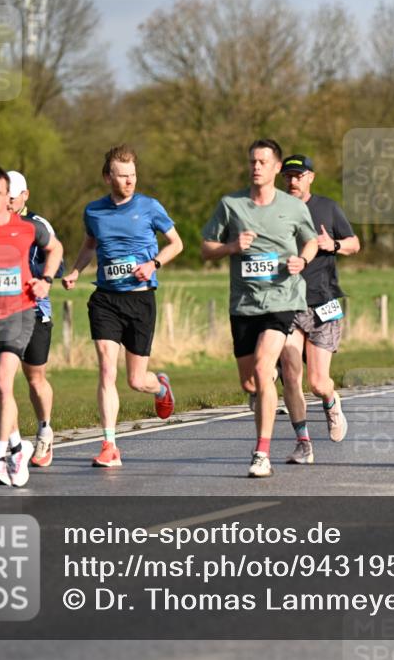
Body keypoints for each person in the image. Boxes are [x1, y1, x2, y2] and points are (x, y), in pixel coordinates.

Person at [202, 139, 318, 477]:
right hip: (244, 303)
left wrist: (302, 259)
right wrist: (231, 247)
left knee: (266, 367)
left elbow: (310, 240)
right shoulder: (231, 205)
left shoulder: (294, 208)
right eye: (252, 161)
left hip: (282, 300)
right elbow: (206, 249)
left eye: (263, 162)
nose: (256, 167)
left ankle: (261, 453)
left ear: (276, 167)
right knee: (251, 383)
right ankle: (265, 395)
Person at [62, 144, 182, 467]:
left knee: (135, 380)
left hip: (140, 298)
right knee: (105, 367)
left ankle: (160, 388)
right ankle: (109, 445)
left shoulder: (150, 206)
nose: (129, 181)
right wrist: (75, 270)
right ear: (107, 177)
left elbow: (177, 244)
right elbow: (90, 245)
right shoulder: (94, 211)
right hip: (106, 299)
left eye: (132, 175)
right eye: (122, 175)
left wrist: (154, 264)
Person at [0, 167, 62, 487]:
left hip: (27, 311)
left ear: (20, 195)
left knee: (25, 379)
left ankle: (29, 439)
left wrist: (45, 280)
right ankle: (13, 443)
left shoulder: (30, 226)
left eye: (4, 195)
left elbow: (56, 250)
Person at [277, 154, 360, 464]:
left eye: (298, 175)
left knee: (317, 383)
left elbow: (355, 243)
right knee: (289, 367)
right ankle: (303, 442)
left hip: (322, 304)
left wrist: (333, 245)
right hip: (289, 304)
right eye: (287, 176)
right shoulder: (277, 210)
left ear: (310, 177)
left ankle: (331, 401)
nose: (292, 181)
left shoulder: (327, 207)